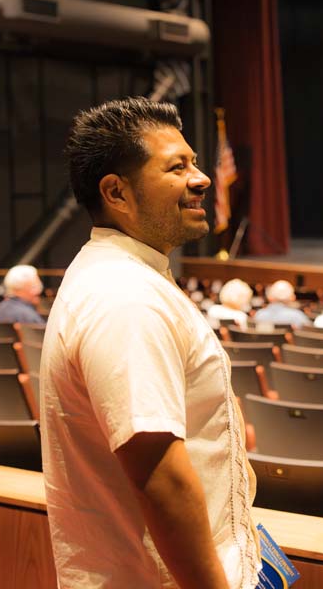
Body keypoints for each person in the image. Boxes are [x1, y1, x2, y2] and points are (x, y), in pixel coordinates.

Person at [40, 97, 259, 589]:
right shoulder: (126, 298)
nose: (201, 178)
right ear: (116, 192)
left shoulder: (127, 276)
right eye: (177, 167)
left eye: (196, 162)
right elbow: (160, 475)